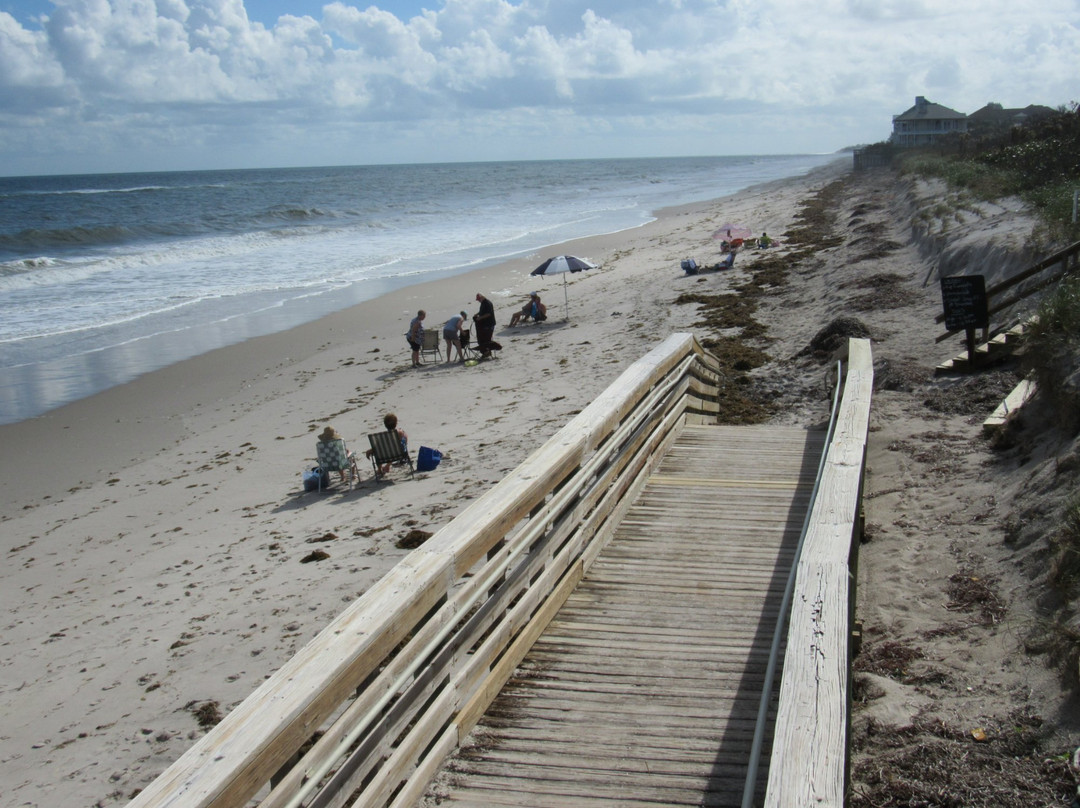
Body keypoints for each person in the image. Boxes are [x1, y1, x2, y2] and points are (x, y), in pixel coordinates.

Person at [473, 293, 496, 357]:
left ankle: (487, 352)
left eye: (479, 299)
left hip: (489, 324)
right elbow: (482, 311)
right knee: (483, 339)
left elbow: (489, 313)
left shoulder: (488, 303)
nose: (478, 301)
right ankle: (486, 352)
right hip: (484, 324)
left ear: (482, 297)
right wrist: (477, 314)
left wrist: (480, 317)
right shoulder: (483, 303)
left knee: (487, 340)